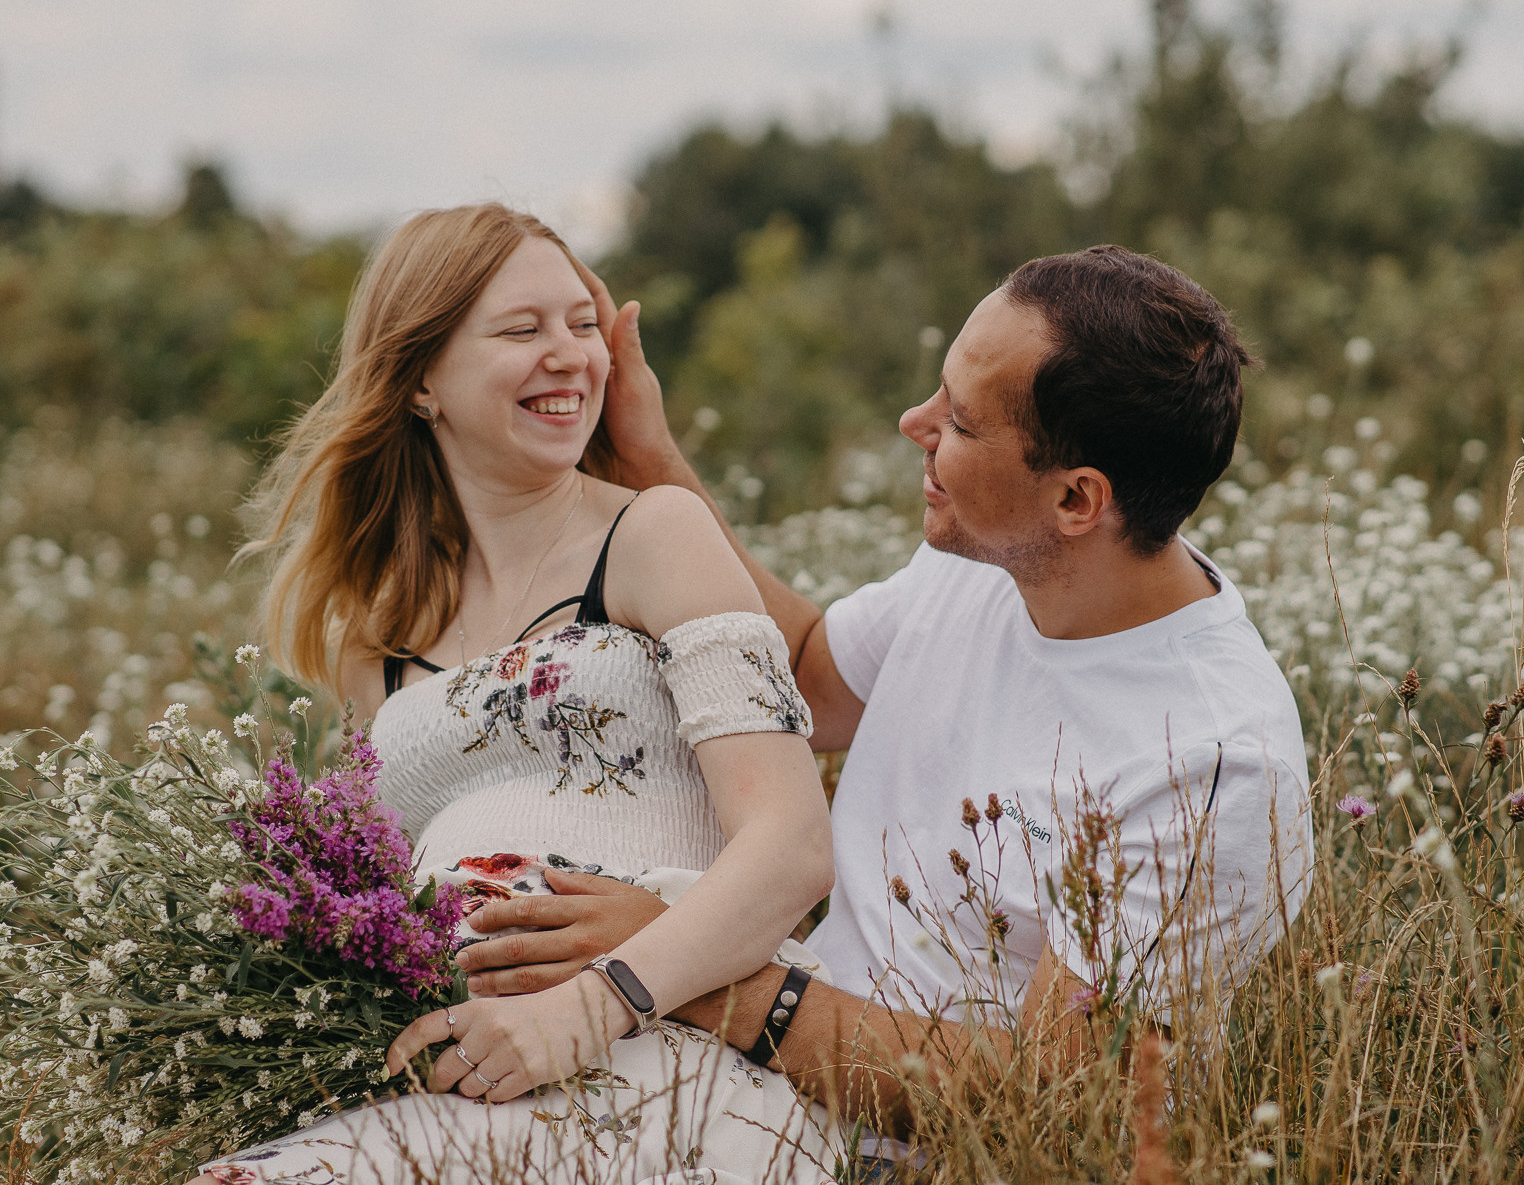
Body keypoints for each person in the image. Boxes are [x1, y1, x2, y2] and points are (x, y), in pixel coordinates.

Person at [452, 244, 1315, 1149]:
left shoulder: (1213, 769)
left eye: (964, 423)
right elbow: (806, 675)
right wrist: (649, 456)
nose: (917, 422)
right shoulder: (990, 559)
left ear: (1076, 499)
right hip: (762, 1075)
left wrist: (682, 968)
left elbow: (1056, 1101)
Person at [190, 204, 842, 1184]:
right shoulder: (376, 638)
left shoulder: (654, 537)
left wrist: (585, 1009)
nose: (569, 357)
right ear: (418, 383)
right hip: (467, 1069)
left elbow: (792, 847)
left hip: (656, 1052)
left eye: (581, 326)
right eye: (520, 330)